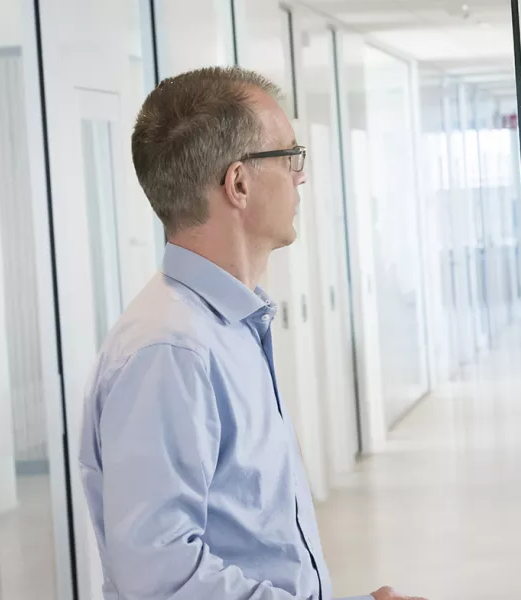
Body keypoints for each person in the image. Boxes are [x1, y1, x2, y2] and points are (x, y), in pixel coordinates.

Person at [79, 66, 423, 600]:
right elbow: (163, 579)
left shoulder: (229, 328)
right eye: (289, 156)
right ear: (238, 183)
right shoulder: (171, 349)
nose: (300, 175)